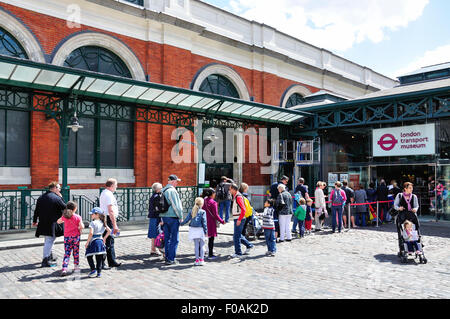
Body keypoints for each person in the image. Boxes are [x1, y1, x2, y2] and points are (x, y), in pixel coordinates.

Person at [32, 181, 67, 267]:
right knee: (49, 240)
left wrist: (34, 221)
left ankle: (49, 255)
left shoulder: (41, 197)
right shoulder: (56, 198)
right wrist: (61, 197)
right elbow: (65, 207)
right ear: (54, 188)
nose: (59, 190)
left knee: (49, 240)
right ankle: (45, 259)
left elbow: (36, 210)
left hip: (43, 222)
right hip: (52, 223)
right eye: (59, 188)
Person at [160, 174, 184, 265]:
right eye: (176, 181)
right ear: (173, 181)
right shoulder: (172, 191)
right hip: (173, 217)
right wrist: (181, 216)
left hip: (164, 217)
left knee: (167, 238)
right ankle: (171, 258)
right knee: (174, 239)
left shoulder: (163, 190)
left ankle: (167, 257)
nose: (177, 183)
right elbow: (176, 206)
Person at [57, 201, 84, 276]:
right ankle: (76, 267)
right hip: (76, 237)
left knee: (67, 253)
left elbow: (58, 221)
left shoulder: (65, 216)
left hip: (67, 237)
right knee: (76, 252)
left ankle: (64, 268)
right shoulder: (78, 217)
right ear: (75, 209)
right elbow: (82, 226)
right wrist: (79, 227)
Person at [99, 178, 121, 268]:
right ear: (112, 186)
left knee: (107, 240)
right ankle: (108, 262)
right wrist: (115, 225)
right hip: (108, 219)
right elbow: (110, 210)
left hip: (106, 218)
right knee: (109, 240)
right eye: (116, 185)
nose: (116, 187)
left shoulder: (105, 192)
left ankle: (109, 261)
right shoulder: (108, 194)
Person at [181, 197, 208, 266]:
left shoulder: (192, 210)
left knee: (196, 245)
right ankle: (201, 260)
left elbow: (187, 219)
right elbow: (204, 222)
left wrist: (181, 223)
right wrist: (206, 231)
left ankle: (196, 260)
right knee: (202, 245)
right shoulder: (203, 212)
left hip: (193, 229)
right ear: (202, 204)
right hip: (200, 229)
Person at [85, 207, 111, 278]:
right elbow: (109, 231)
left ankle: (93, 269)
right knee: (99, 258)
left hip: (94, 241)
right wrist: (104, 238)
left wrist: (87, 242)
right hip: (100, 241)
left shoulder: (93, 223)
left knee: (89, 255)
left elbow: (91, 233)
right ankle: (99, 273)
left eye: (92, 214)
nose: (91, 216)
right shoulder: (103, 222)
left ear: (97, 214)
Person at [229, 183, 254, 258]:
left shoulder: (238, 197)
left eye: (230, 189)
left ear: (233, 189)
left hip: (239, 218)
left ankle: (238, 252)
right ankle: (249, 245)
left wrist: (239, 219)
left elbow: (243, 209)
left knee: (236, 236)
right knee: (238, 235)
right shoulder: (236, 196)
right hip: (238, 218)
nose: (229, 190)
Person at [202, 188, 225, 260]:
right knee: (211, 239)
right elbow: (216, 215)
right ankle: (210, 254)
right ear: (211, 194)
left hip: (203, 221)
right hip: (211, 222)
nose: (215, 194)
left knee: (202, 238)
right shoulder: (213, 203)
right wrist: (222, 221)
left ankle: (201, 253)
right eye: (214, 193)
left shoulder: (203, 201)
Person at [148, 182, 164, 257]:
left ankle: (153, 249)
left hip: (152, 216)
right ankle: (156, 249)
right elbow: (158, 209)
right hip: (156, 217)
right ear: (158, 189)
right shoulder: (157, 197)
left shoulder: (153, 196)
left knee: (153, 234)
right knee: (156, 234)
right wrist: (161, 219)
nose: (162, 189)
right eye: (161, 188)